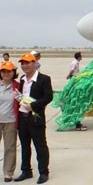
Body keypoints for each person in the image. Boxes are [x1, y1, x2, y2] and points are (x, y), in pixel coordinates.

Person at [15, 53, 53, 184]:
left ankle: (43, 172)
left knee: (40, 145)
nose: (24, 66)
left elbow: (48, 97)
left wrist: (33, 106)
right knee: (25, 146)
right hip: (22, 117)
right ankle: (26, 171)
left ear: (34, 63)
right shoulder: (22, 79)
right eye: (22, 63)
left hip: (35, 118)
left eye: (27, 63)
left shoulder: (44, 79)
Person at [0, 61, 19, 182]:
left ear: (13, 72)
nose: (7, 73)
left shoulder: (17, 86)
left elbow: (24, 100)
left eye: (9, 71)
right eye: (4, 71)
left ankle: (8, 172)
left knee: (10, 147)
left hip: (10, 121)